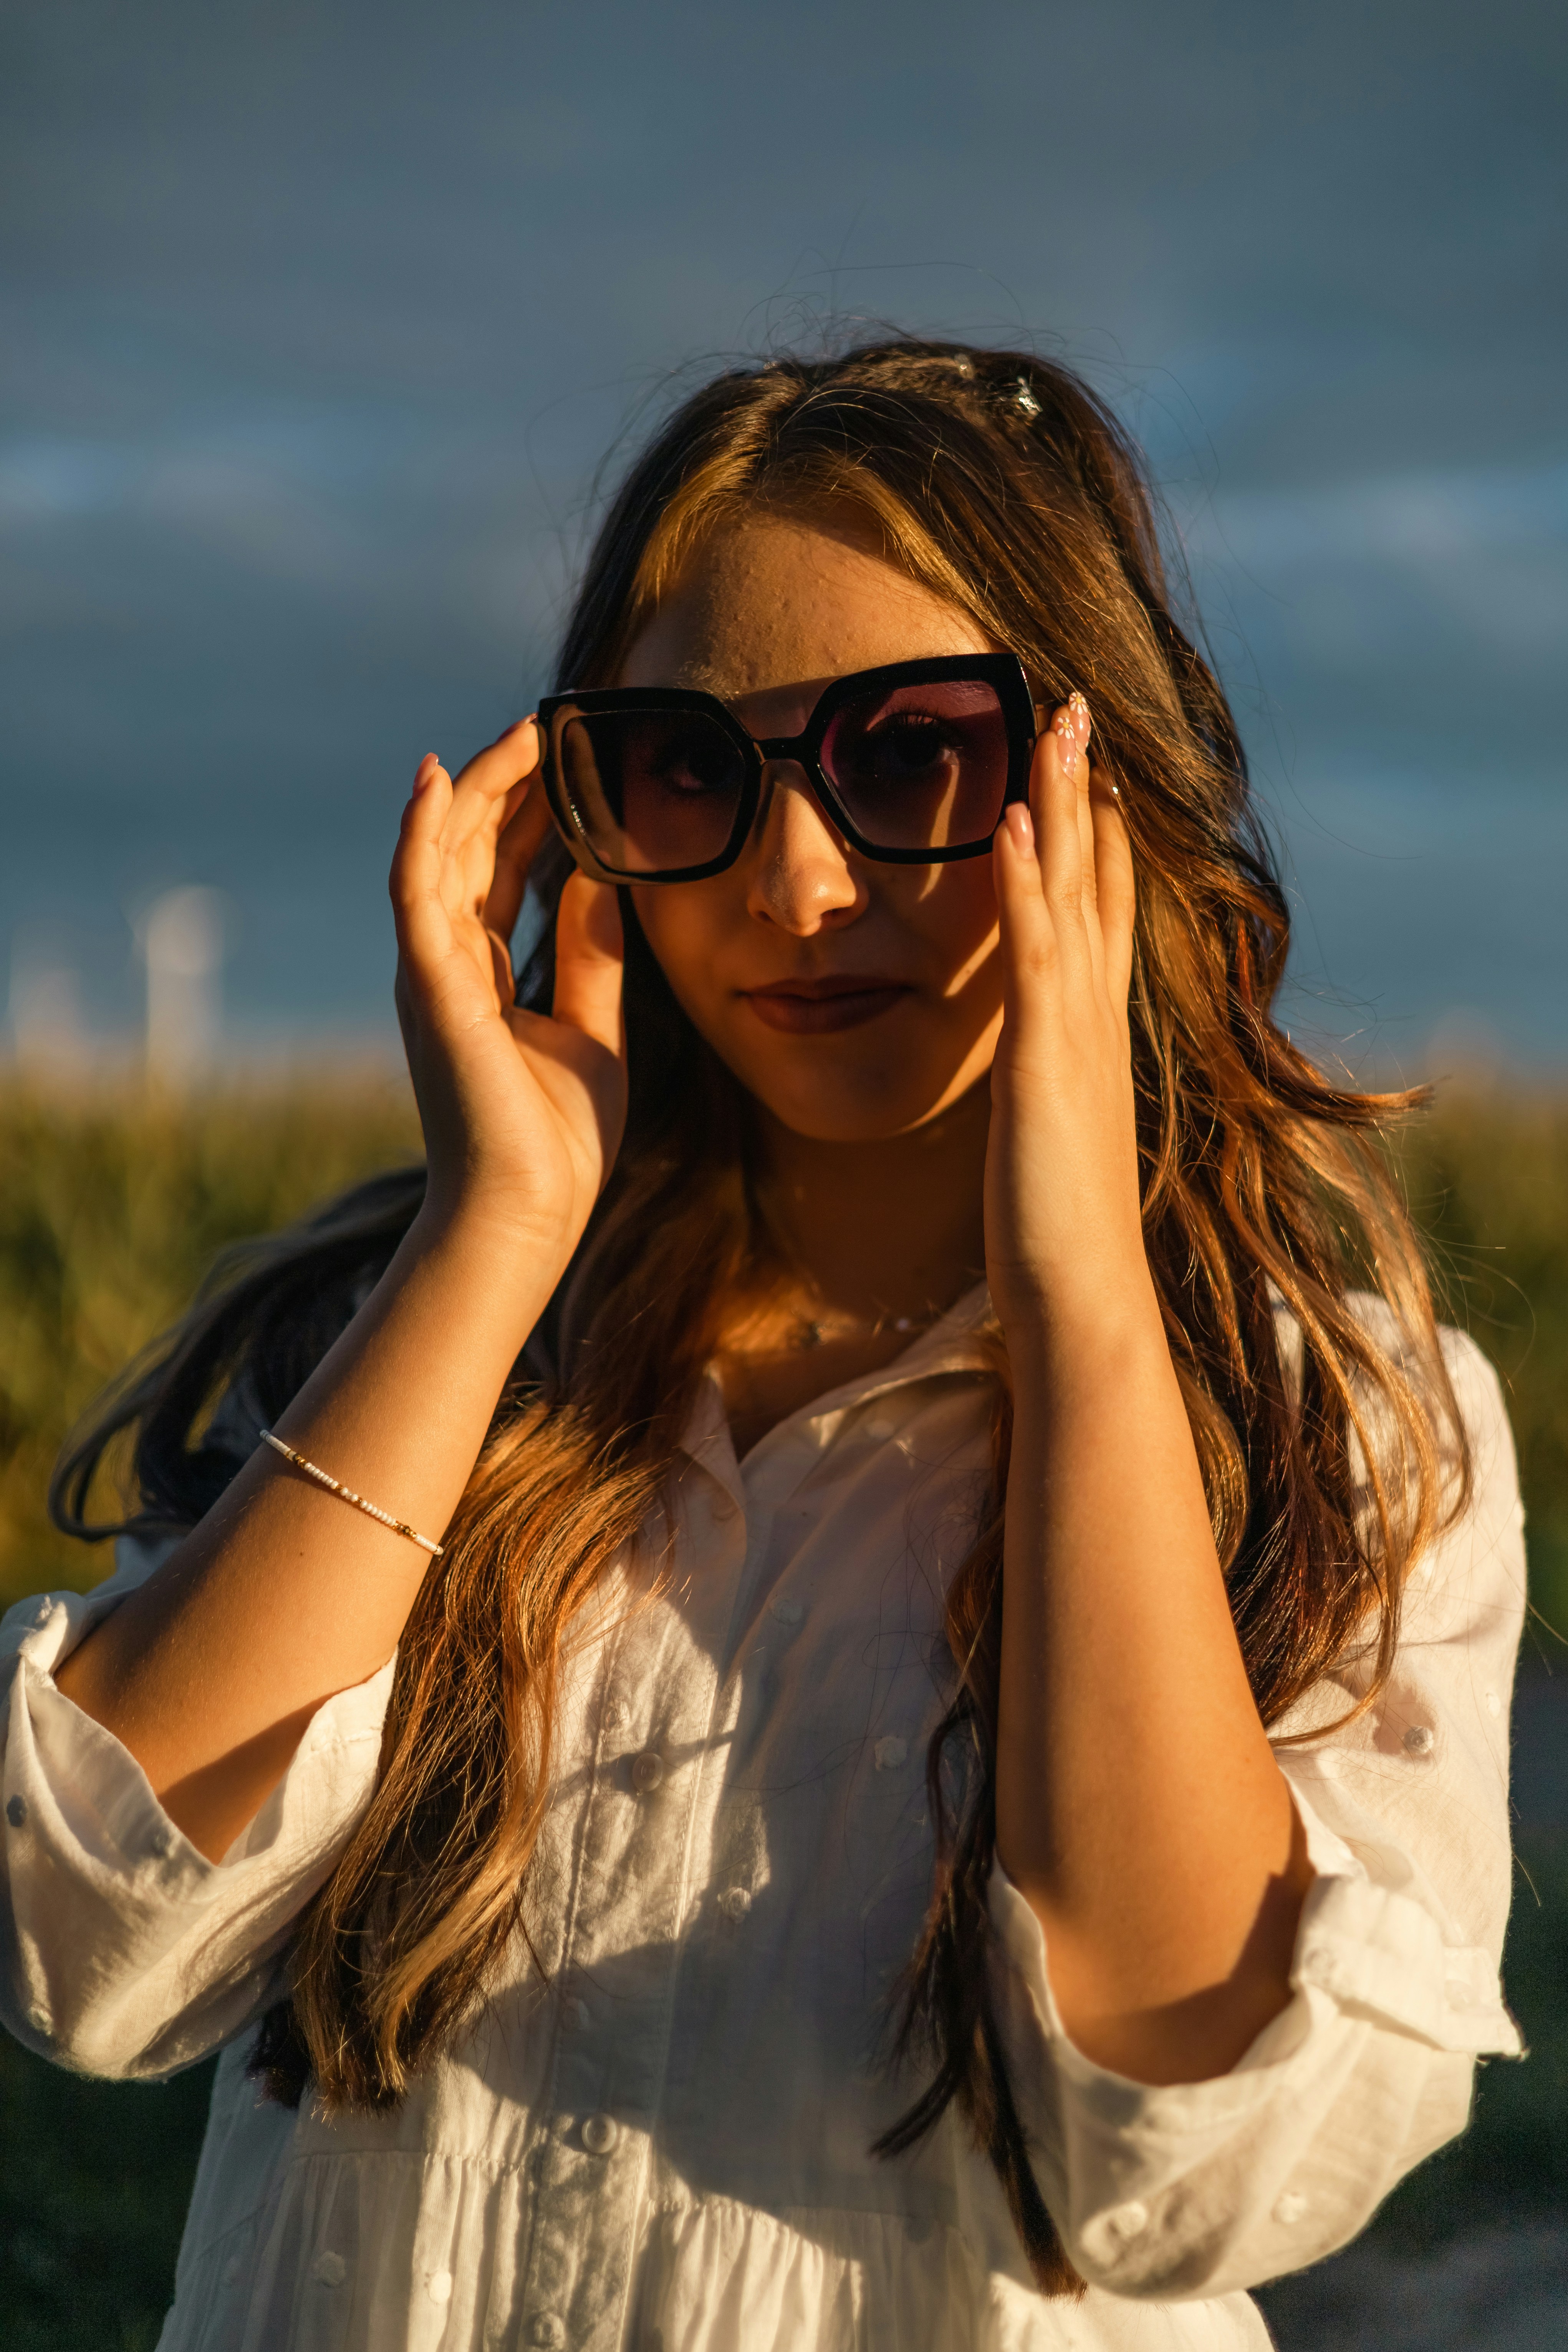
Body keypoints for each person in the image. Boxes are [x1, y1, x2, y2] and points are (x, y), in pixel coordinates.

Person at [1, 341, 1525, 2352]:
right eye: (686, 768)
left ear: (1103, 786)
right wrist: (494, 1235)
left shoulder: (1329, 1422)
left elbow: (1188, 2156)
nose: (795, 883)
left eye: (911, 756)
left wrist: (1082, 1299)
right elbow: (85, 1939)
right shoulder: (414, 1339)